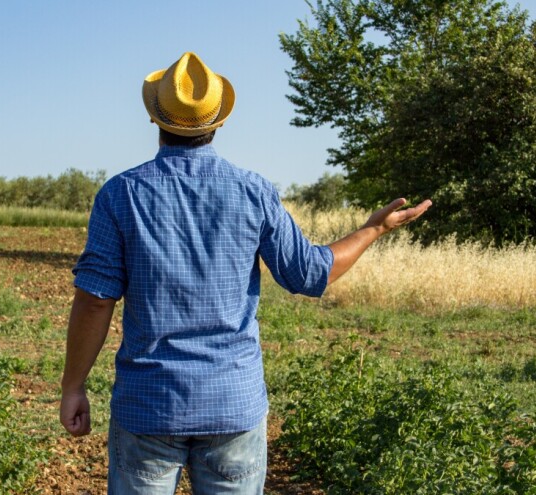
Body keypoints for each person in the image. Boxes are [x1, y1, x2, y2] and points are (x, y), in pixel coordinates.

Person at [60, 52, 432, 494]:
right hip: (232, 403)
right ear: (217, 123)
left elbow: (96, 299)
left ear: (155, 119)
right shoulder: (253, 192)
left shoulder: (120, 194)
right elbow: (310, 273)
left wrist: (73, 386)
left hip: (150, 405)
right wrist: (373, 229)